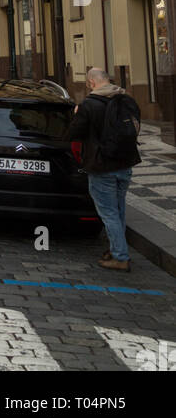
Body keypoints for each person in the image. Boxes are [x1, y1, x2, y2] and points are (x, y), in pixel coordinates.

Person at [67, 67, 141, 271]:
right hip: (125, 162)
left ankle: (120, 256)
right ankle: (117, 247)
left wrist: (76, 114)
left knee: (108, 213)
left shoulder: (88, 105)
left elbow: (74, 133)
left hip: (102, 165)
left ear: (91, 82)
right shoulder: (126, 99)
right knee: (118, 210)